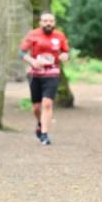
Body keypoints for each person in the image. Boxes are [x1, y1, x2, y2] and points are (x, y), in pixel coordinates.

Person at [19, 12, 70, 146]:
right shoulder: (33, 34)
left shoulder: (59, 36)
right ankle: (40, 123)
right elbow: (21, 53)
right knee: (36, 107)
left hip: (52, 73)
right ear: (40, 22)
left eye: (51, 21)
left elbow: (65, 51)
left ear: (54, 22)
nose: (48, 23)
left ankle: (45, 134)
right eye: (45, 21)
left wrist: (65, 56)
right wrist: (32, 61)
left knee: (47, 103)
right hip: (35, 74)